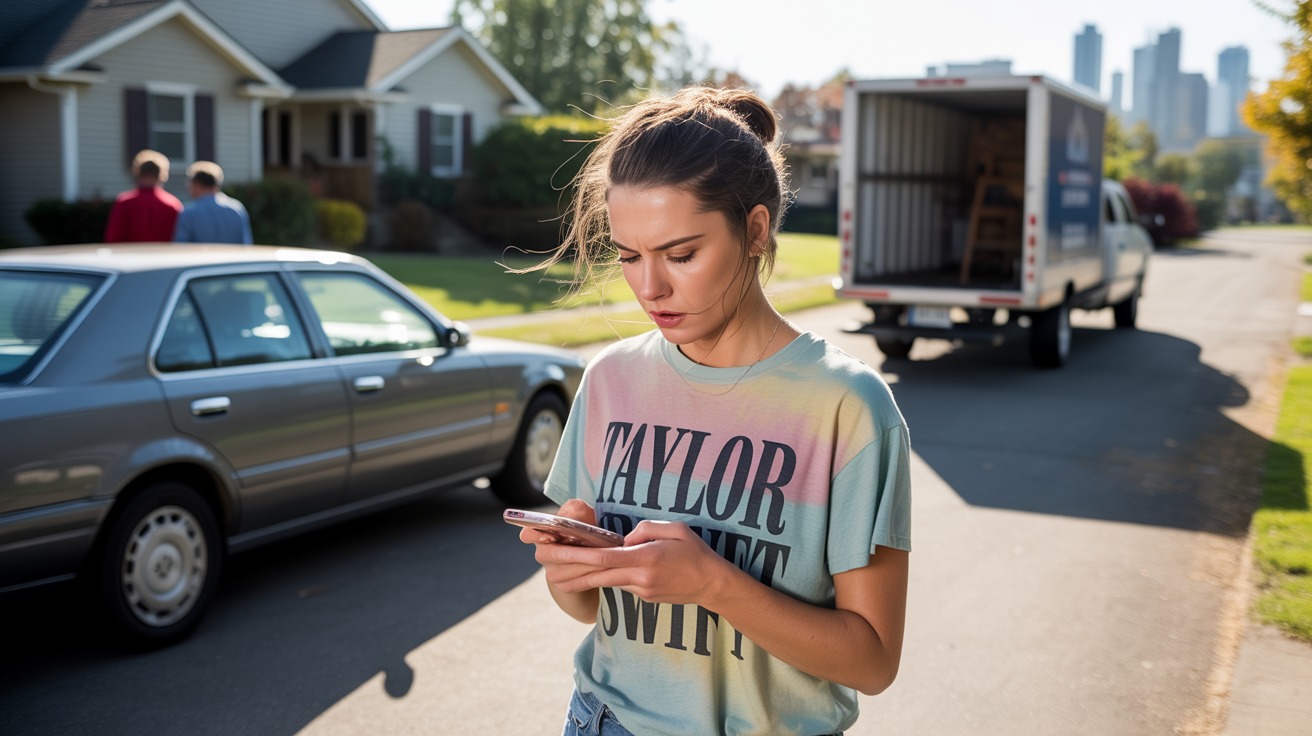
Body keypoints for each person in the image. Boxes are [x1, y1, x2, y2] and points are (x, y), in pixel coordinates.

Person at [519, 86, 912, 736]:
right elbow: (587, 611)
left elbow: (872, 662)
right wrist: (570, 565)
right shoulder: (611, 379)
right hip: (603, 720)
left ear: (755, 230)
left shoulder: (849, 407)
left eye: (680, 255)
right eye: (629, 257)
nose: (650, 288)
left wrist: (712, 582)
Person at [104, 149, 182, 243]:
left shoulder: (124, 202)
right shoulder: (172, 205)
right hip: (163, 256)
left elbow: (113, 238)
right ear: (162, 174)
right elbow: (178, 239)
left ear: (137, 172)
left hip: (131, 256)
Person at [173, 161, 253, 244]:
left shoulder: (189, 213)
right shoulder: (237, 209)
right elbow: (245, 244)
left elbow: (181, 247)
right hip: (231, 256)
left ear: (196, 184)